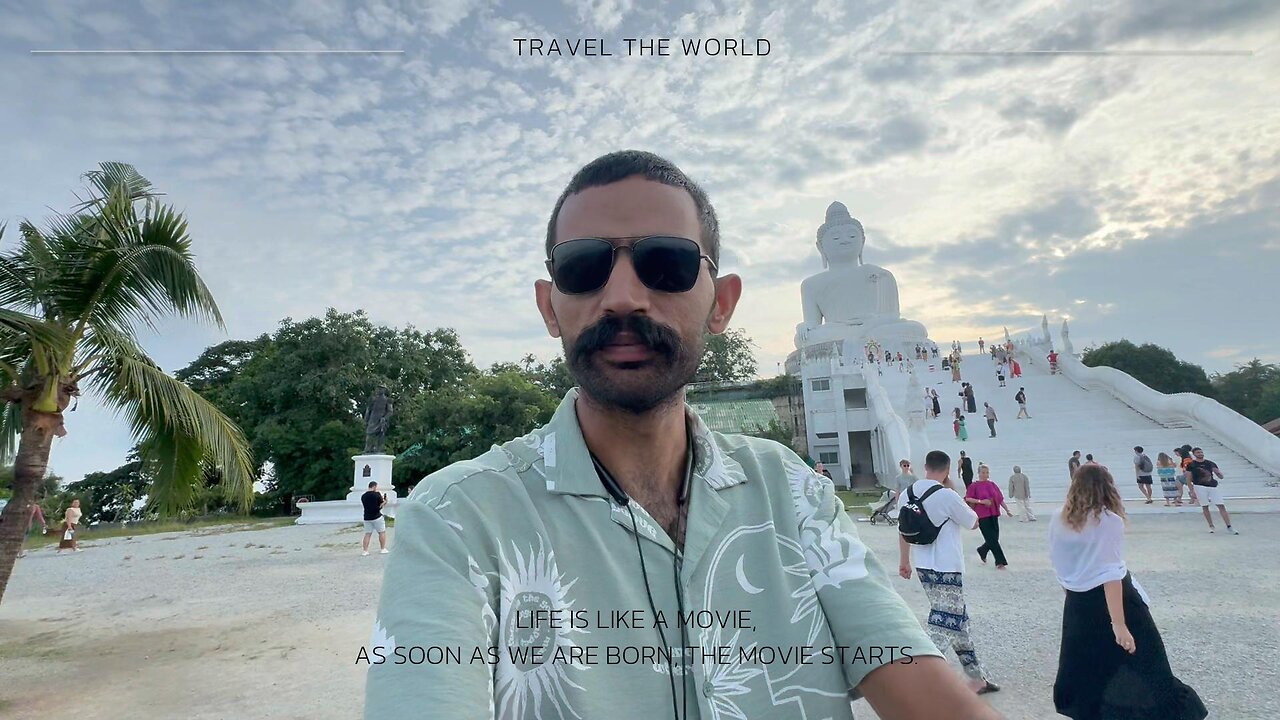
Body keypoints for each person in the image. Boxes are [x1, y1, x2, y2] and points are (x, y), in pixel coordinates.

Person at [368, 150, 1001, 719]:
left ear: (722, 303)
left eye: (665, 264)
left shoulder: (792, 495)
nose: (621, 297)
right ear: (548, 305)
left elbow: (913, 679)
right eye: (584, 267)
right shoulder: (458, 517)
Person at [1049, 464, 1207, 720]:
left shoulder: (1059, 517)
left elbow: (1058, 561)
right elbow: (1111, 575)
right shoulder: (1108, 521)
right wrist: (1119, 625)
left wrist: (1072, 593)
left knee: (1090, 665)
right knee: (1147, 662)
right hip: (1117, 601)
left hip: (1077, 601)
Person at [897, 450, 1001, 695]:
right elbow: (973, 521)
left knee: (957, 620)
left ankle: (976, 678)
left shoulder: (907, 493)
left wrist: (904, 561)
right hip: (947, 566)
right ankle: (919, 675)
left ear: (925, 467)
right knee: (945, 621)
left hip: (923, 565)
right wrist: (953, 491)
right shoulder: (947, 495)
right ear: (947, 470)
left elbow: (903, 529)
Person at [965, 465, 1013, 568]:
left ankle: (982, 550)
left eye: (987, 472)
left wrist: (1007, 510)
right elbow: (968, 498)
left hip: (993, 514)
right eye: (983, 472)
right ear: (978, 473)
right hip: (982, 515)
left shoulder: (992, 484)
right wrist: (981, 501)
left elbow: (1000, 499)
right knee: (992, 540)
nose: (985, 475)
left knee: (994, 538)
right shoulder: (974, 486)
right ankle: (1000, 562)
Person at [1187, 448, 1238, 534]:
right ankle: (1211, 526)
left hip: (1212, 486)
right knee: (1205, 506)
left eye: (1201, 452)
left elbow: (1218, 474)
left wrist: (1219, 474)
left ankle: (1229, 526)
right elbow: (1189, 478)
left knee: (1221, 505)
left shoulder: (1210, 463)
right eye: (1198, 452)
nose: (1200, 454)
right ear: (1194, 454)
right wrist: (1191, 490)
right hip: (1199, 487)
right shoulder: (1191, 464)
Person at [360, 481, 389, 555]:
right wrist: (385, 501)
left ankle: (365, 551)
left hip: (367, 517)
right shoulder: (377, 494)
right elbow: (380, 505)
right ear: (374, 487)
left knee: (367, 534)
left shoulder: (363, 496)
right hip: (377, 516)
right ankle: (382, 548)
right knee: (382, 532)